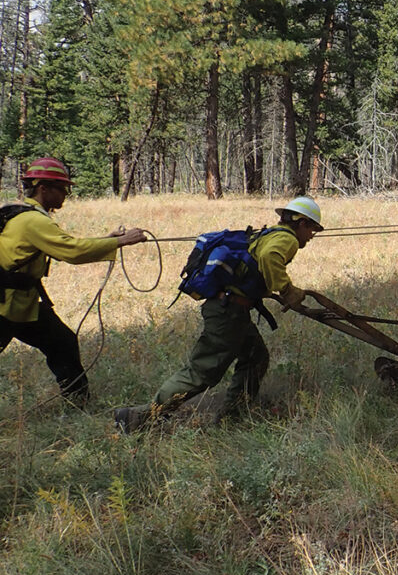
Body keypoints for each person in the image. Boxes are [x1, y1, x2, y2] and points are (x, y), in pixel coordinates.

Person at [114, 196, 323, 432]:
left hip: (232, 309)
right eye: (312, 230)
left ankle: (232, 419)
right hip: (228, 312)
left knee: (255, 357)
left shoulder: (270, 233)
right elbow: (269, 257)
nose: (311, 236)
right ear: (303, 223)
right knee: (202, 372)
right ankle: (138, 418)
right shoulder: (286, 239)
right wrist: (288, 290)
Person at [0, 157, 148, 405]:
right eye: (62, 188)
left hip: (20, 305)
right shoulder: (33, 221)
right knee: (61, 343)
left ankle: (78, 403)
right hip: (5, 305)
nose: (66, 194)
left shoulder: (21, 215)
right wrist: (121, 241)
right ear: (43, 188)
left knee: (62, 342)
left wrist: (105, 239)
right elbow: (72, 251)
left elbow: (63, 245)